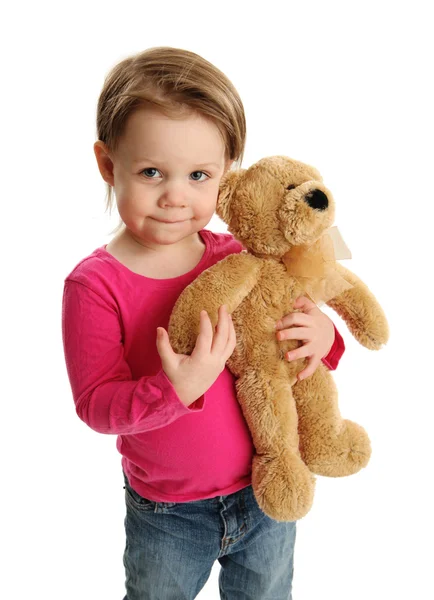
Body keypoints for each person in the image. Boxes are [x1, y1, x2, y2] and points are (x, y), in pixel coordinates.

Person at [61, 46, 345, 600]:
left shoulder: (241, 258)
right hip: (167, 514)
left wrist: (325, 339)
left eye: (198, 175)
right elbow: (95, 405)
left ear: (227, 176)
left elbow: (293, 340)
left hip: (268, 491)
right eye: (151, 172)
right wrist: (176, 389)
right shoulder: (95, 285)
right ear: (107, 164)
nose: (175, 196)